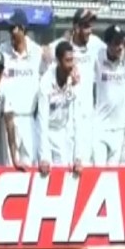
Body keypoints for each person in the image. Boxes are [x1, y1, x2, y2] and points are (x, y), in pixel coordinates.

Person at [46, 9, 104, 165]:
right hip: (66, 117)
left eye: (90, 26)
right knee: (64, 165)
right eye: (86, 26)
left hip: (86, 118)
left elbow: (113, 49)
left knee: (83, 165)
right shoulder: (64, 46)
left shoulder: (95, 44)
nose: (89, 30)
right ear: (76, 27)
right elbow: (45, 52)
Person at [0, 9, 42, 166]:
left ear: (23, 29)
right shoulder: (2, 51)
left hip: (29, 119)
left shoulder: (37, 52)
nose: (10, 33)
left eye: (13, 29)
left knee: (30, 166)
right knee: (10, 166)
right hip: (9, 119)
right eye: (9, 29)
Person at [37, 41, 82, 174]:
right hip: (45, 131)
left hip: (62, 132)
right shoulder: (46, 82)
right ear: (57, 61)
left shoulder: (73, 81)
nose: (71, 65)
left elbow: (77, 119)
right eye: (67, 61)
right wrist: (44, 156)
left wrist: (78, 157)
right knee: (43, 172)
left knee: (62, 173)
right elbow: (42, 121)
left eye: (72, 60)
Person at [92, 25, 125, 166]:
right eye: (116, 43)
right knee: (98, 170)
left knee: (113, 174)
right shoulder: (97, 58)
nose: (120, 47)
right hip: (100, 127)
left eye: (121, 42)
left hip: (119, 128)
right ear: (107, 44)